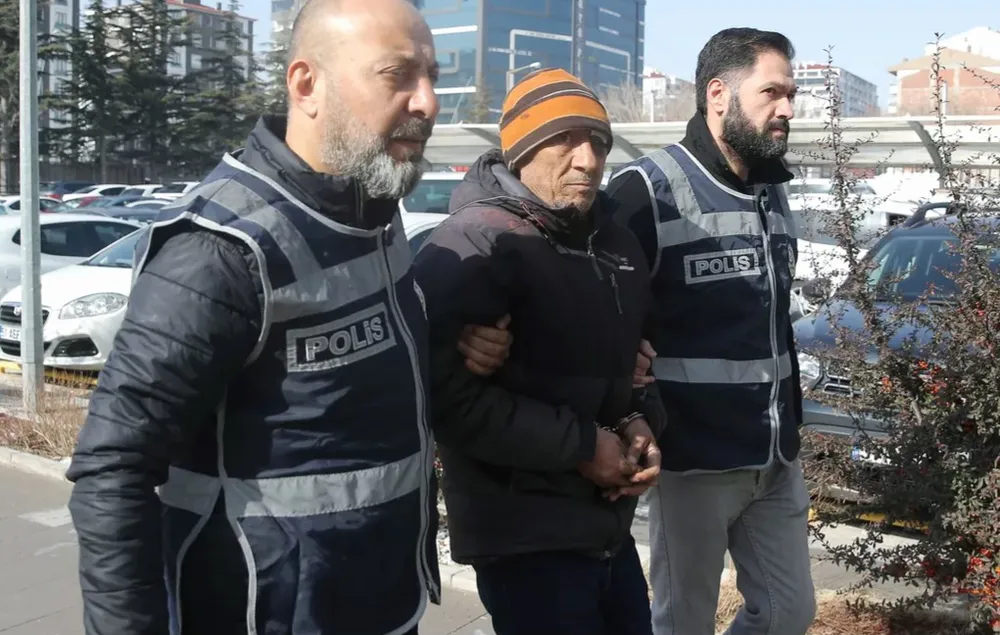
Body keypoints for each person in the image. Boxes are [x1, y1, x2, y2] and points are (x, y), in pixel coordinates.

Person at [64, 0, 511, 633]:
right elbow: (113, 468)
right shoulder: (221, 250)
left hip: (381, 605)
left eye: (433, 76)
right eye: (397, 75)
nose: (429, 102)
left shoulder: (373, 213)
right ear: (306, 85)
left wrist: (451, 347)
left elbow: (344, 393)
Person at [412, 68, 666, 635]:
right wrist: (582, 446)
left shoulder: (617, 242)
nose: (588, 160)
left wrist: (640, 422)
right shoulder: (476, 242)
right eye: (564, 139)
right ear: (521, 150)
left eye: (598, 142)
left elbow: (638, 363)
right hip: (524, 538)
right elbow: (444, 398)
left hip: (607, 527)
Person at [605, 28, 817, 635]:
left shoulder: (773, 189)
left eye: (791, 94)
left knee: (789, 613)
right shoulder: (647, 189)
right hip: (692, 460)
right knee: (683, 622)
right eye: (772, 92)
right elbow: (598, 310)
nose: (788, 108)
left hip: (775, 456)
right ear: (718, 94)